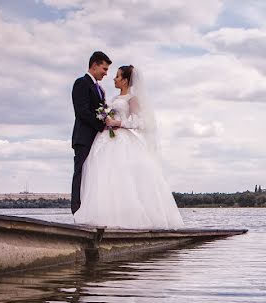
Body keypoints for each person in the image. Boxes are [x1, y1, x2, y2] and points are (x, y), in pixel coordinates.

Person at [73, 64, 185, 230]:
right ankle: (105, 217)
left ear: (125, 81)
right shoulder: (111, 98)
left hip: (122, 139)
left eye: (117, 76)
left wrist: (117, 122)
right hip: (105, 139)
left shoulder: (132, 99)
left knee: (123, 178)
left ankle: (129, 219)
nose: (114, 78)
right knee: (104, 177)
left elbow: (139, 122)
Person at [71, 51, 115, 214]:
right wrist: (102, 125)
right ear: (95, 65)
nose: (106, 73)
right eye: (104, 69)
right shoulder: (81, 83)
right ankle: (77, 210)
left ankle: (90, 210)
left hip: (96, 139)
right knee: (80, 174)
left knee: (92, 175)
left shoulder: (100, 89)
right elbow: (81, 111)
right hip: (83, 138)